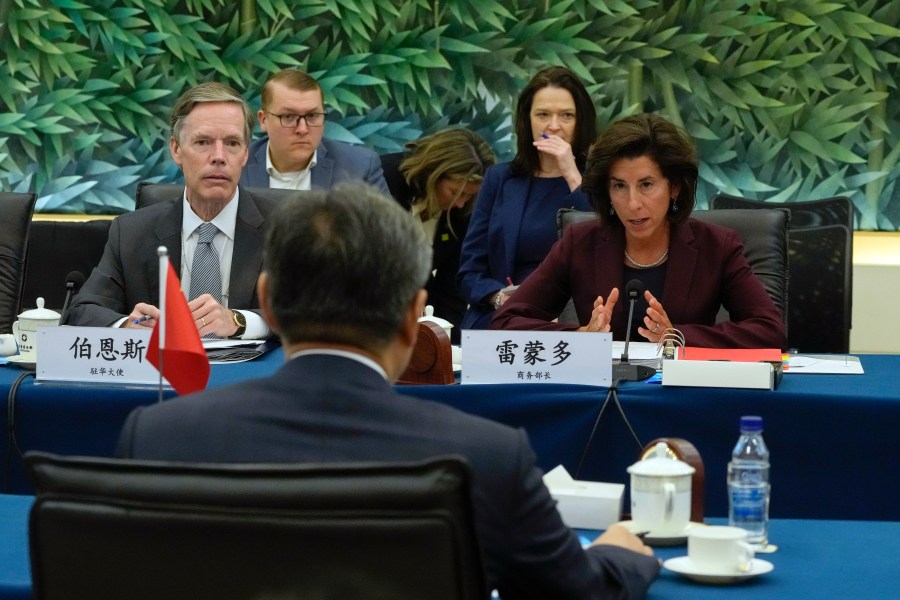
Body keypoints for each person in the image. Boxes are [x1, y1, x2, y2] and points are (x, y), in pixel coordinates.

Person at [116, 183, 660, 599]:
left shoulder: (159, 437)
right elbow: (578, 591)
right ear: (411, 319)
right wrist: (622, 553)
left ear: (269, 303)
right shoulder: (489, 457)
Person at [492, 113, 787, 349]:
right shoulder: (579, 243)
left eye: (646, 185)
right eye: (619, 186)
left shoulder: (717, 246)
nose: (633, 203)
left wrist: (678, 337)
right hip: (600, 398)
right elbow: (506, 321)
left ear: (674, 187)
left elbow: (769, 329)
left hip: (683, 397)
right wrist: (580, 337)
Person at [64, 82, 274, 339]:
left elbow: (315, 312)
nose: (219, 156)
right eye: (203, 142)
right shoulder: (131, 232)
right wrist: (127, 326)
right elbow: (83, 311)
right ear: (176, 149)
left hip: (248, 375)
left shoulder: (285, 229)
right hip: (160, 375)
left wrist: (239, 321)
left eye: (232, 143)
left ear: (244, 154)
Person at [457, 66, 597, 329]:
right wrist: (499, 297)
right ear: (527, 120)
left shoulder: (601, 181)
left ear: (581, 122)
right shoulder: (499, 180)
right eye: (543, 115)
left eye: (566, 116)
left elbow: (602, 246)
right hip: (504, 318)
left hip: (575, 324)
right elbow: (470, 271)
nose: (554, 126)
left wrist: (570, 172)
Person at [383, 128, 496, 343]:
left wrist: (449, 349)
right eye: (455, 192)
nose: (461, 202)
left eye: (470, 195)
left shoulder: (463, 211)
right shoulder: (384, 180)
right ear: (432, 173)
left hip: (420, 313)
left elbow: (451, 289)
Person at [239, 68, 389, 194]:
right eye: (289, 116)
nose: (302, 129)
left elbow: (385, 229)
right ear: (263, 120)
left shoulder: (360, 167)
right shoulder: (236, 167)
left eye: (312, 116)